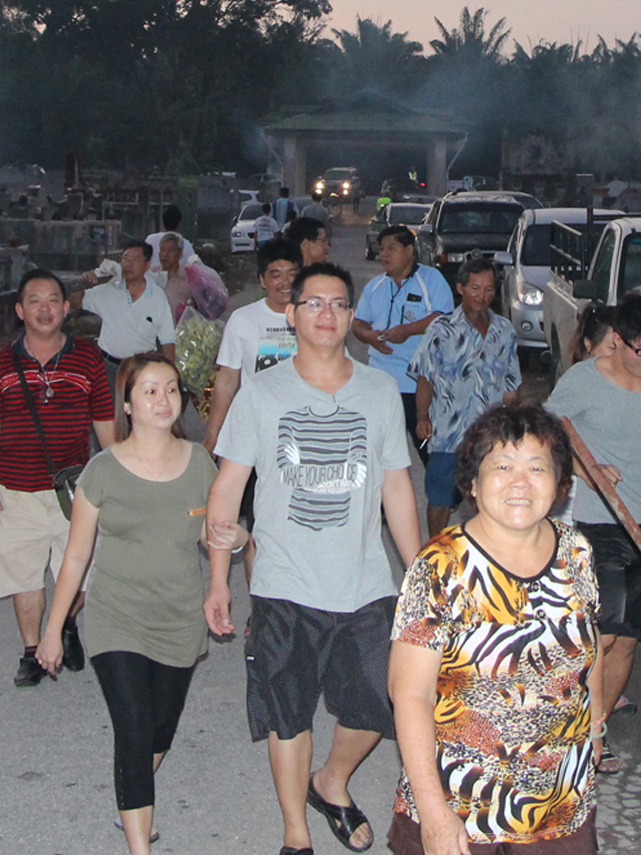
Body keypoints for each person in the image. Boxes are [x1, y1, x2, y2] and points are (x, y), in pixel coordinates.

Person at [205, 262, 423, 855]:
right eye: (314, 304)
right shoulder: (263, 392)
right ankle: (295, 834)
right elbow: (227, 489)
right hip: (283, 583)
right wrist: (219, 580)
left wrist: (422, 571)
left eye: (338, 305)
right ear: (292, 313)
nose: (327, 315)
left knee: (382, 701)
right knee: (288, 711)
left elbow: (397, 487)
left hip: (365, 582)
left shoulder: (378, 390)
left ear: (352, 317)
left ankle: (330, 781)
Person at [36, 353, 235, 854]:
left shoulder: (200, 464)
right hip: (115, 619)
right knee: (133, 730)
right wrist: (52, 628)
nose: (163, 399)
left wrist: (219, 582)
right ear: (127, 403)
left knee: (158, 732)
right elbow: (77, 554)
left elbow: (215, 535)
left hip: (178, 617)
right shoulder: (101, 471)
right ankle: (138, 843)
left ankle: (134, 791)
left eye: (171, 389)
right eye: (149, 390)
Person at [389, 405, 601, 855]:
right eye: (502, 466)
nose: (520, 481)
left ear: (560, 483)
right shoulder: (440, 566)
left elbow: (589, 651)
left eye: (537, 467)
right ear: (472, 484)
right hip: (462, 808)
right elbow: (409, 694)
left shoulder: (575, 552)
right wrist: (434, 814)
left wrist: (596, 729)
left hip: (559, 805)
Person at [544, 292, 641, 769]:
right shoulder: (583, 381)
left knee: (627, 640)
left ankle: (596, 731)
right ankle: (576, 728)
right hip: (597, 525)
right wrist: (589, 472)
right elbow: (550, 432)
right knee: (601, 637)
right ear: (618, 341)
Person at [0, 270, 117, 688]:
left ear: (66, 308)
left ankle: (65, 623)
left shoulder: (88, 360)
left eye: (53, 299)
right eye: (34, 300)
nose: (44, 308)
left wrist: (119, 478)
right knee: (23, 576)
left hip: (75, 492)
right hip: (15, 491)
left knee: (88, 573)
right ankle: (32, 651)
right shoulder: (1, 366)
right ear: (20, 311)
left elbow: (104, 424)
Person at [409, 254, 522, 534]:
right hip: (448, 434)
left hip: (489, 439)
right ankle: (435, 553)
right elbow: (425, 377)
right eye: (475, 288)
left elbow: (512, 385)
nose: (481, 296)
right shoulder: (441, 330)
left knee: (488, 500)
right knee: (440, 499)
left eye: (488, 289)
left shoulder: (504, 331)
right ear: (460, 288)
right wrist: (422, 417)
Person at [352, 225, 454, 448]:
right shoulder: (375, 286)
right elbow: (358, 322)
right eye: (381, 249)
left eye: (391, 248)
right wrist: (369, 336)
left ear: (409, 250)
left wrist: (407, 330)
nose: (385, 255)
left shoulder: (431, 279)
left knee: (429, 450)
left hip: (419, 385)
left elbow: (444, 318)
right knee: (377, 452)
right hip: (380, 383)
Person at [205, 238, 301, 449]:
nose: (285, 282)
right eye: (276, 275)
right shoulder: (242, 319)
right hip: (255, 434)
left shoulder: (317, 318)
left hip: (303, 433)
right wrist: (214, 434)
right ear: (262, 281)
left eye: (292, 274)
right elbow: (227, 382)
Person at [80, 241, 178, 373]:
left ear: (147, 265)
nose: (128, 264)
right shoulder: (108, 290)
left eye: (135, 259)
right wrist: (82, 283)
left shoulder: (157, 296)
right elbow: (77, 302)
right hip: (108, 366)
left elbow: (168, 339)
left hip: (141, 368)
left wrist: (170, 373)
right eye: (125, 258)